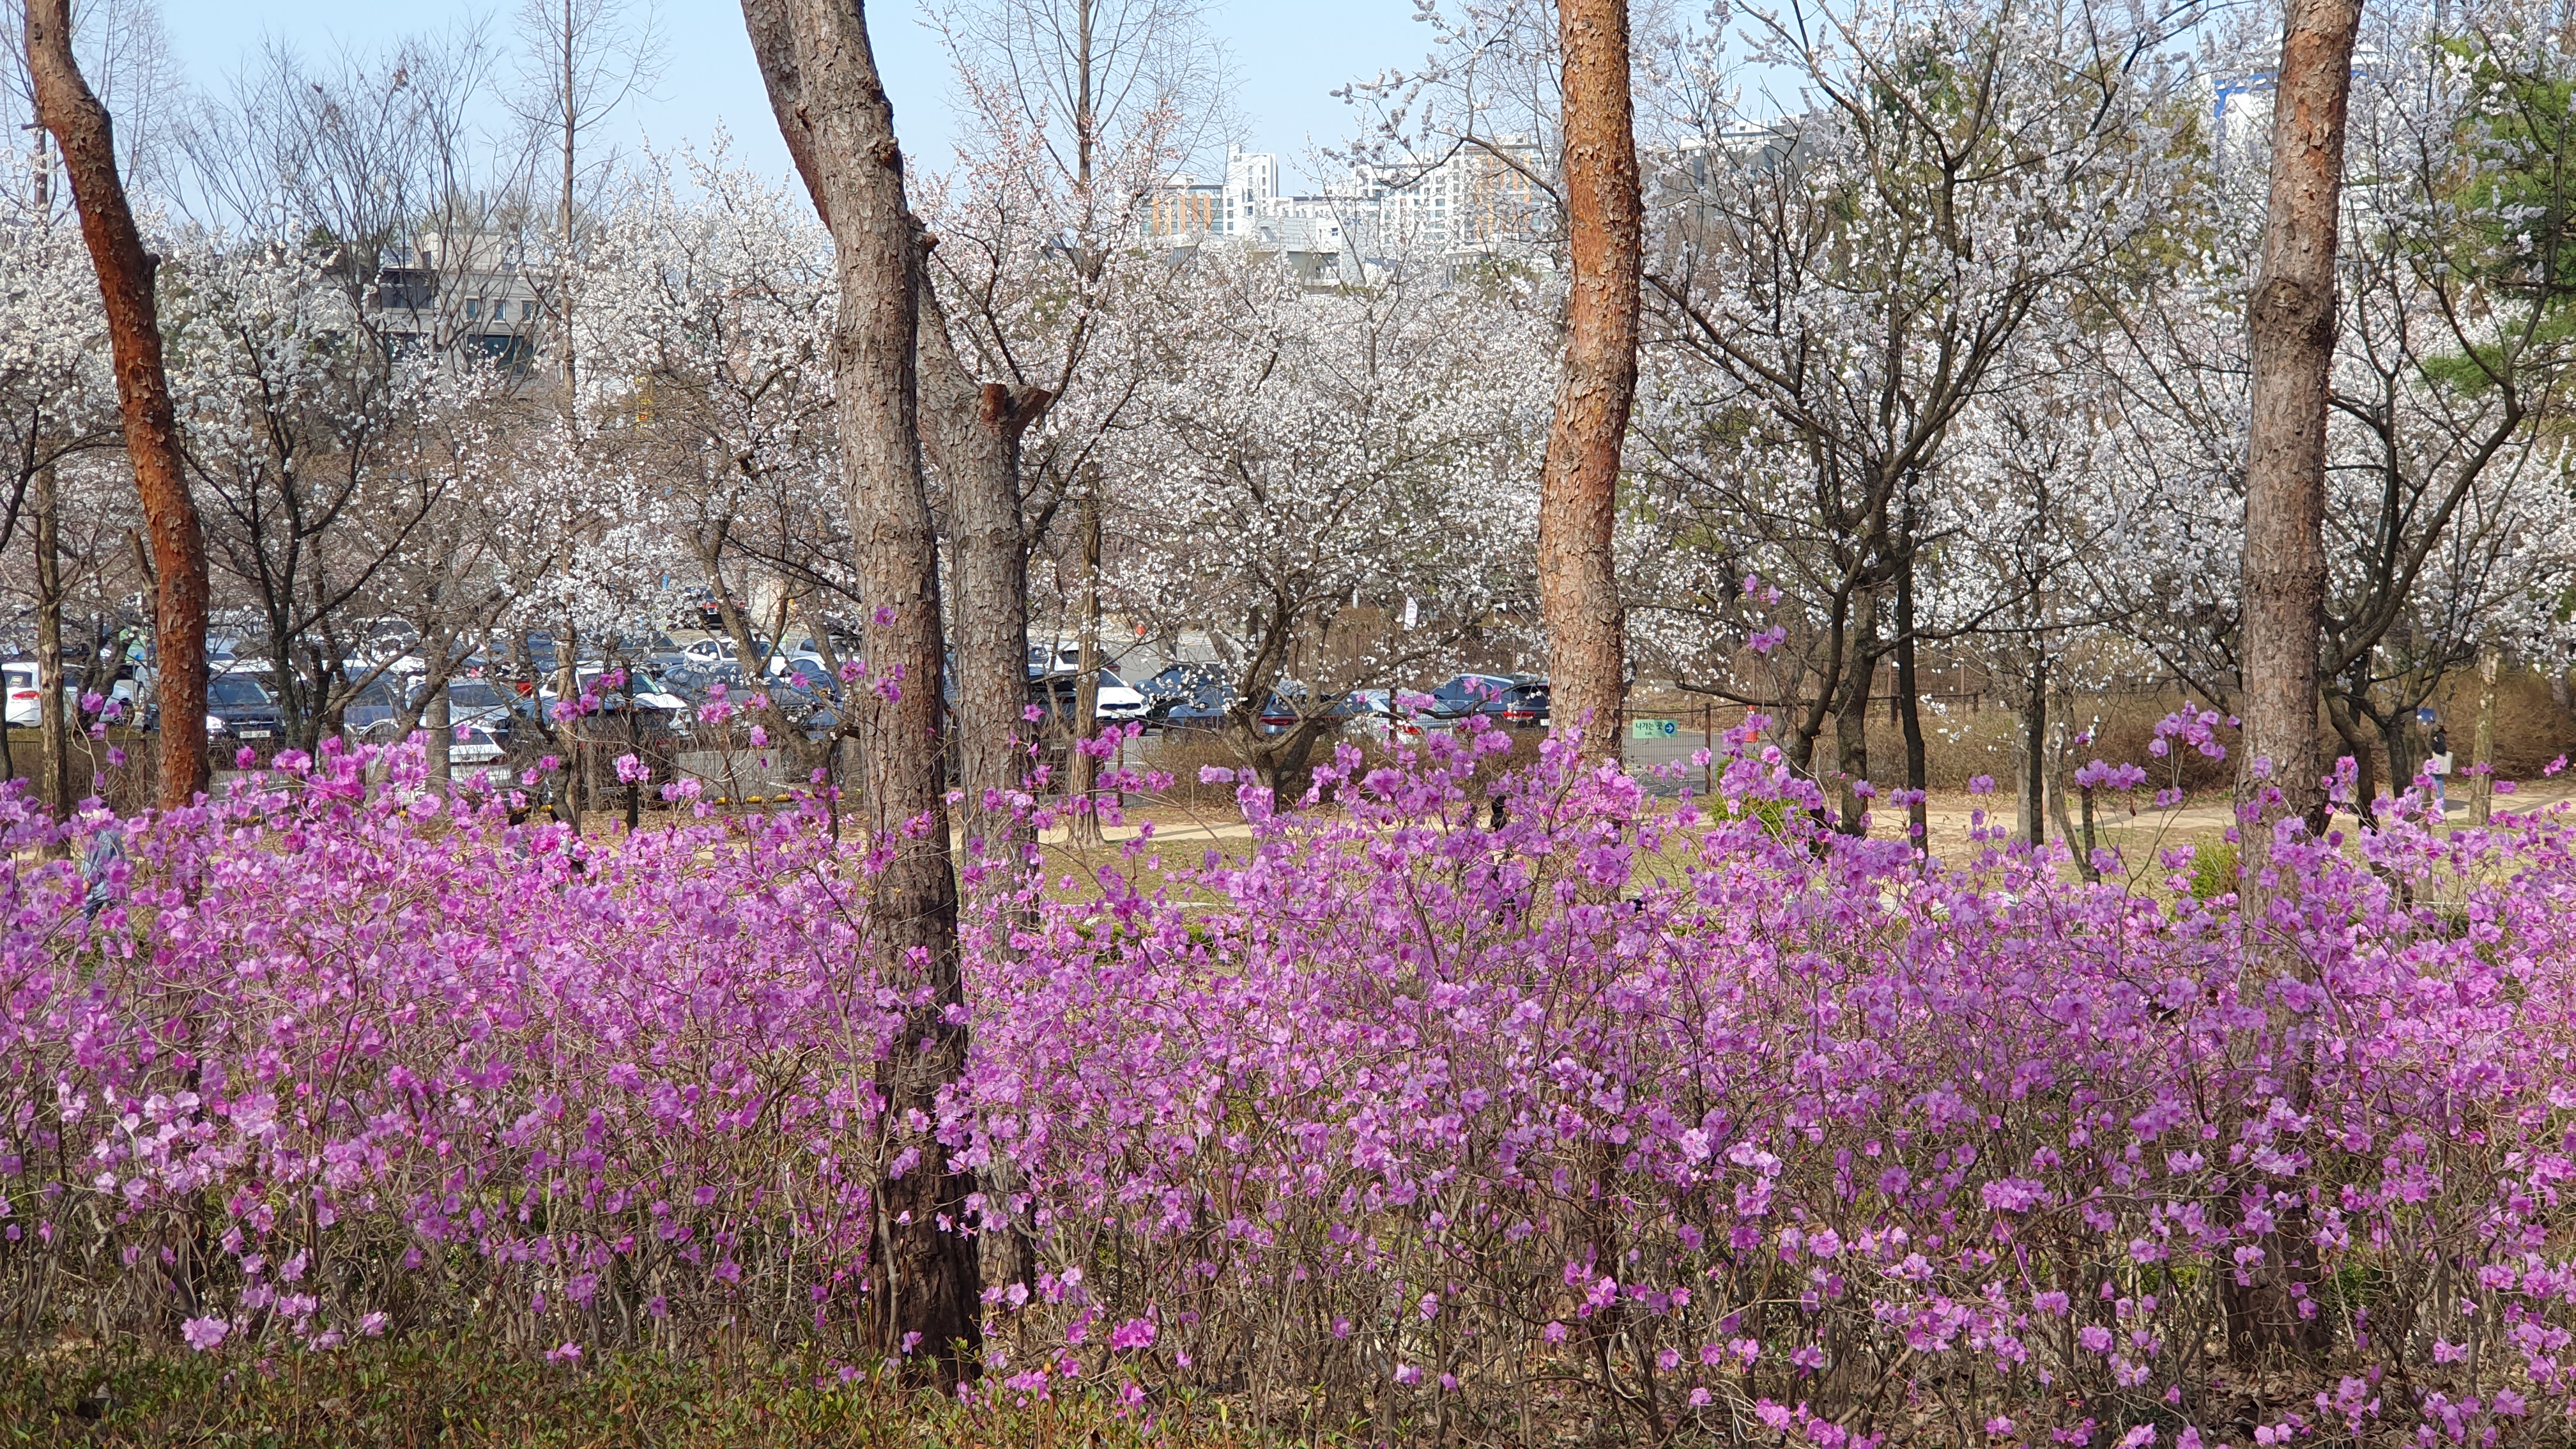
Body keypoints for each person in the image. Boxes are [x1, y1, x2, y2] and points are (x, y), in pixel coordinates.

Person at [2425, 721, 2453, 821]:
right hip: (2428, 765)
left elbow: (2442, 749)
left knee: (2438, 785)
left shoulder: (2438, 736)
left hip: (2435, 766)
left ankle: (2440, 807)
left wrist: (2432, 743)